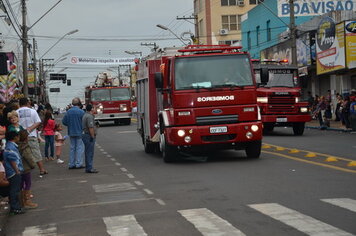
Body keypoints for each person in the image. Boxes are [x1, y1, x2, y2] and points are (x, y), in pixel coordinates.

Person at [17, 97, 48, 176]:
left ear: (19, 104)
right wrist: (30, 129)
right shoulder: (33, 111)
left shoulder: (16, 112)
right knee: (36, 152)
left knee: (21, 153)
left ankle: (21, 170)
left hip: (20, 136)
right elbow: (38, 122)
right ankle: (41, 169)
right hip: (32, 135)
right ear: (28, 103)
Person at [3, 131, 25, 214]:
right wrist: (17, 171)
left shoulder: (9, 146)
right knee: (14, 190)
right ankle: (15, 208)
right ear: (15, 137)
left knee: (14, 190)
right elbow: (13, 161)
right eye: (17, 136)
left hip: (11, 171)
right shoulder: (11, 147)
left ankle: (15, 207)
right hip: (13, 172)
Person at [62, 97, 85, 169]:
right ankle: (78, 163)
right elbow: (84, 122)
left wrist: (70, 124)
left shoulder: (68, 112)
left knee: (72, 148)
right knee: (79, 148)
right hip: (79, 132)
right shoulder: (81, 112)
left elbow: (64, 122)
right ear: (79, 104)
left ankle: (71, 164)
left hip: (71, 132)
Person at [17, 130, 37, 209]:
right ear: (26, 138)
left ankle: (21, 201)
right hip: (25, 167)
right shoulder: (25, 146)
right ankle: (27, 201)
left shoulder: (16, 145)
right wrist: (33, 165)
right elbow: (28, 157)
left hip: (19, 167)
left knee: (21, 184)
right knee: (27, 184)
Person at [82, 104, 98, 173]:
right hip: (88, 135)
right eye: (94, 108)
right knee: (90, 152)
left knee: (88, 152)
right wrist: (92, 136)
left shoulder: (85, 115)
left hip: (85, 135)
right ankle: (89, 168)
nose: (94, 109)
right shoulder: (89, 116)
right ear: (91, 109)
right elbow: (90, 127)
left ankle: (88, 167)